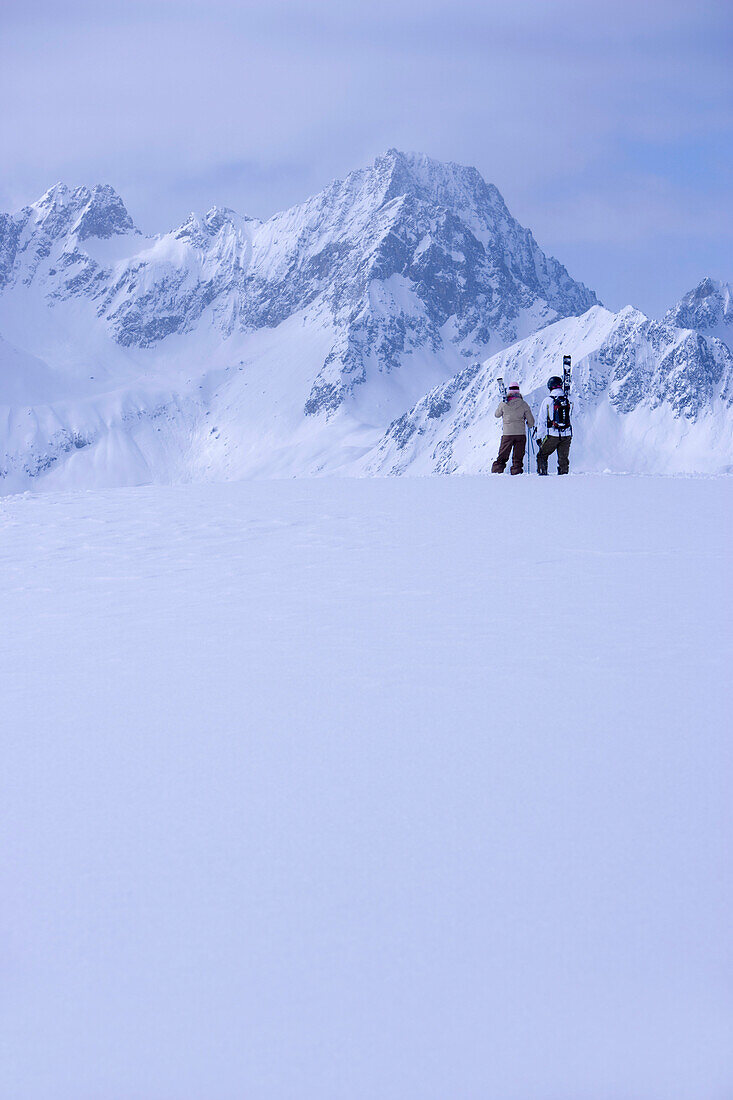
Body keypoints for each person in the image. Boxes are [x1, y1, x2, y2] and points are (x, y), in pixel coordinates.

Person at [491, 384, 535, 474]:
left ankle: (496, 472)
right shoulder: (523, 404)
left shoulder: (504, 403)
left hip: (507, 434)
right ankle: (516, 473)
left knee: (502, 455)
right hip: (520, 434)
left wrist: (502, 405)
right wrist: (529, 424)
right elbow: (531, 421)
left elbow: (497, 415)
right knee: (518, 457)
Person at [536, 376, 572, 475]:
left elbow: (541, 420)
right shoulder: (568, 398)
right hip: (567, 434)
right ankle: (564, 476)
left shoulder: (547, 401)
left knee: (542, 455)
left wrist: (539, 436)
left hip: (552, 434)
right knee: (563, 459)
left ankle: (543, 474)